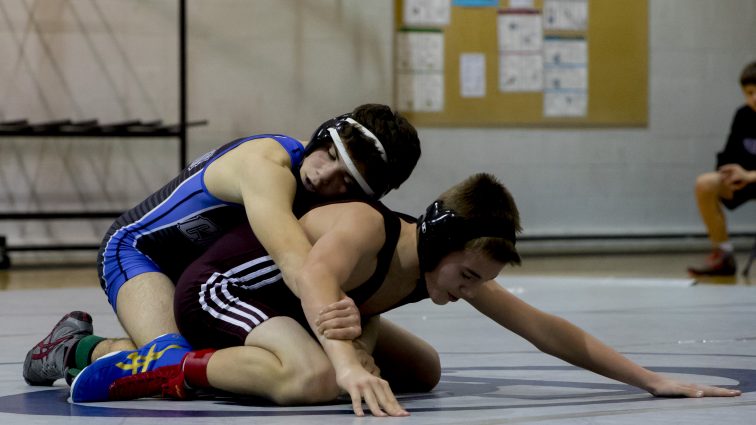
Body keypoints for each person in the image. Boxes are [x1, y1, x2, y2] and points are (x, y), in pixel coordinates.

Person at [69, 173, 741, 417]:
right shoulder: (366, 225)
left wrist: (650, 380)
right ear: (445, 246)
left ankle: (233, 360)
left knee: (422, 371)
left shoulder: (449, 261)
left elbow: (541, 326)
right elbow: (314, 282)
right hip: (221, 289)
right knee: (310, 379)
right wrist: (348, 361)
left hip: (298, 308)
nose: (469, 293)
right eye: (468, 278)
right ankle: (154, 361)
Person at [23, 104, 421, 387]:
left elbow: (357, 287)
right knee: (173, 364)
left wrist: (361, 343)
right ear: (322, 134)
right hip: (141, 254)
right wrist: (347, 356)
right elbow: (296, 264)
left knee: (417, 370)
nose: (323, 176)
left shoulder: (347, 207)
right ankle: (78, 348)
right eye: (330, 155)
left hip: (215, 278)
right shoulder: (267, 165)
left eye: (347, 182)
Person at [688, 61, 756, 276]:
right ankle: (723, 254)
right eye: (750, 92)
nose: (754, 97)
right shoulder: (743, 115)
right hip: (744, 181)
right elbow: (729, 154)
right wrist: (729, 174)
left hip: (752, 177)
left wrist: (750, 175)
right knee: (705, 183)